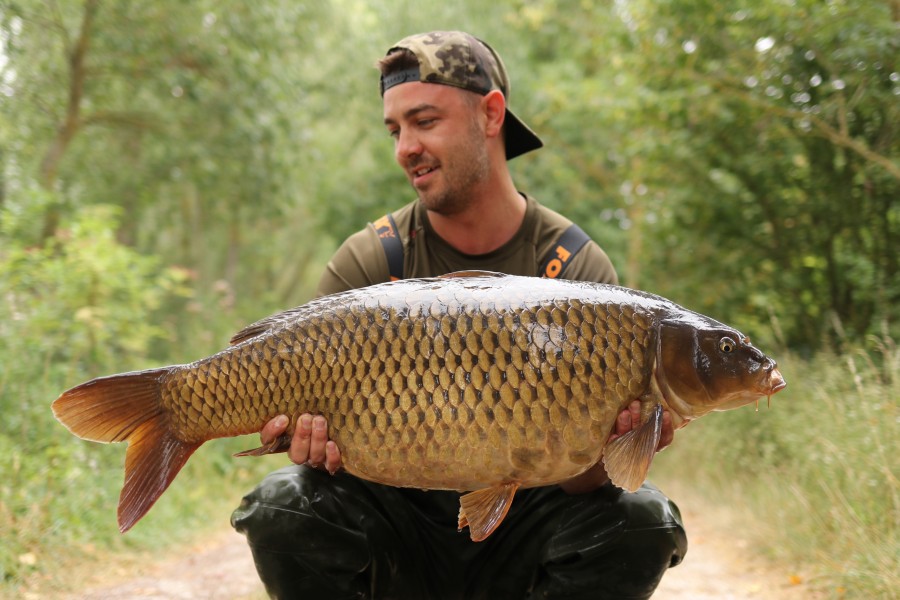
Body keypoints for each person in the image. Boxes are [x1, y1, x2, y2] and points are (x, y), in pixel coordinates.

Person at [231, 30, 686, 599]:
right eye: (395, 130)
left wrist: (621, 448)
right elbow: (327, 466)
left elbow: (585, 485)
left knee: (643, 517)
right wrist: (311, 447)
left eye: (424, 121)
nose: (405, 149)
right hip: (400, 531)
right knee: (283, 504)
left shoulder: (573, 267)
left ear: (491, 114)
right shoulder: (374, 258)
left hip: (523, 534)